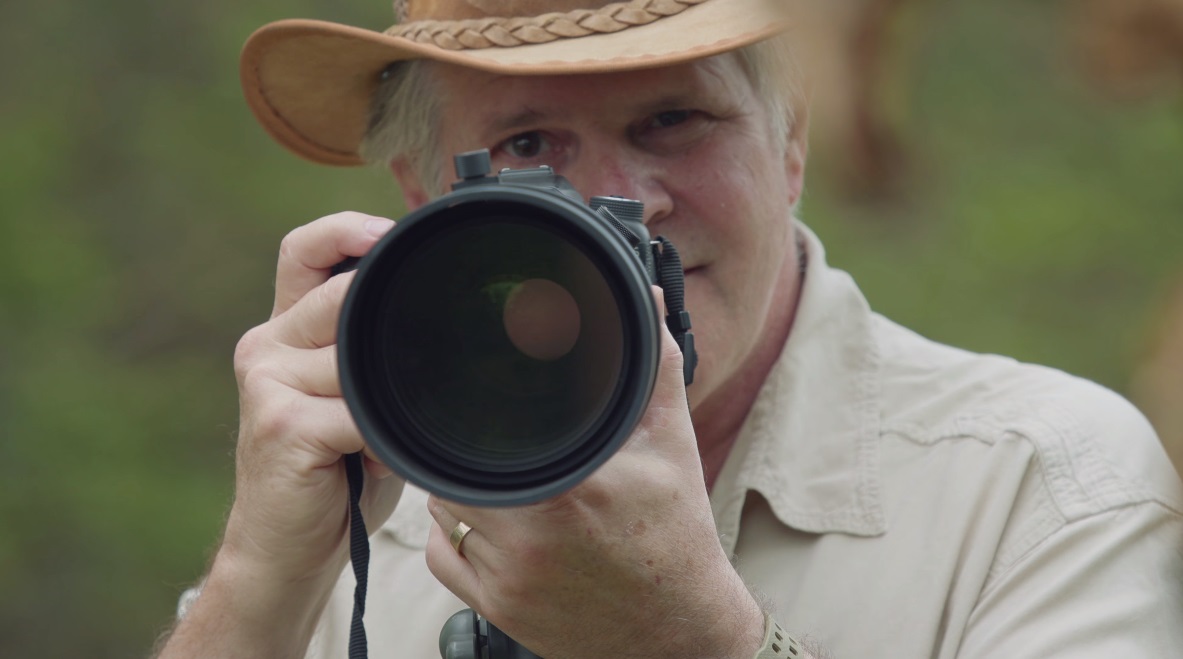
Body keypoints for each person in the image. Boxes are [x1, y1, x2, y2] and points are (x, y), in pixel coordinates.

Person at [155, 1, 1183, 658]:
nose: (617, 201)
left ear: (789, 146)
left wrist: (692, 643)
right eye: (526, 143)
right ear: (424, 199)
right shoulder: (375, 499)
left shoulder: (1039, 486)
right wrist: (261, 576)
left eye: (671, 121)